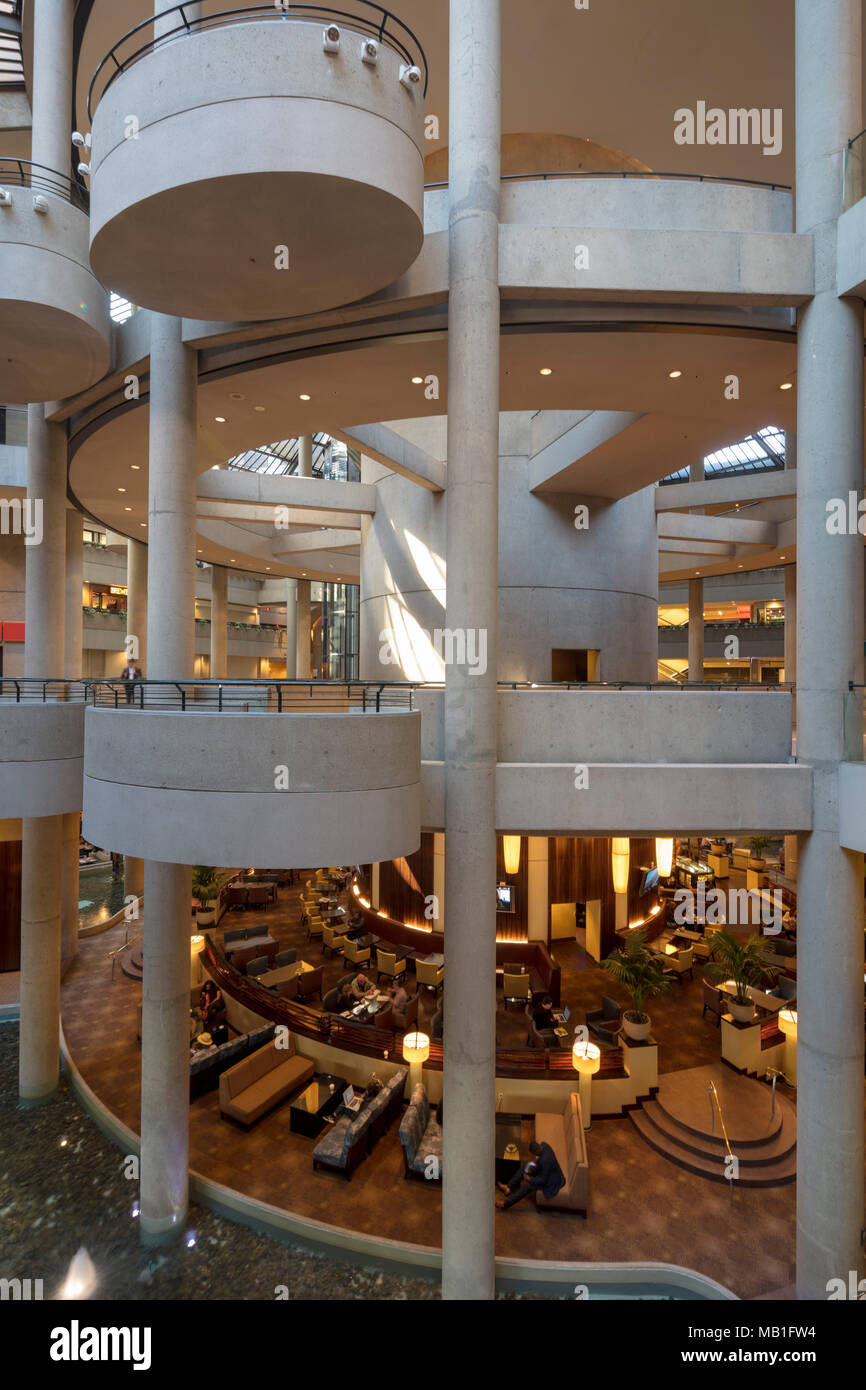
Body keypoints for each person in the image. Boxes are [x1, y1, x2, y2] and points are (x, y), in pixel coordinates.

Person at [496, 1139, 565, 1210]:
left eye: (534, 1154)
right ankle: (509, 1187)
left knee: (527, 1186)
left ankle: (505, 1204)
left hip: (551, 1181)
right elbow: (541, 1162)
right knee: (526, 1166)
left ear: (536, 1152)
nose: (535, 1155)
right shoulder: (544, 1145)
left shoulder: (545, 1161)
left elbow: (543, 1180)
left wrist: (530, 1179)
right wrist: (532, 1166)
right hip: (546, 1171)